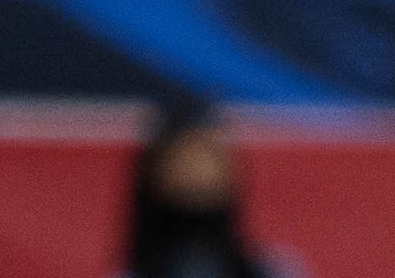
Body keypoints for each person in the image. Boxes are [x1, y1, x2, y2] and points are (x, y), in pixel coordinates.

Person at [121, 104, 296, 278]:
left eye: (207, 155)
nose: (196, 168)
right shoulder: (133, 272)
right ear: (155, 171)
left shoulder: (272, 269)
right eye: (185, 157)